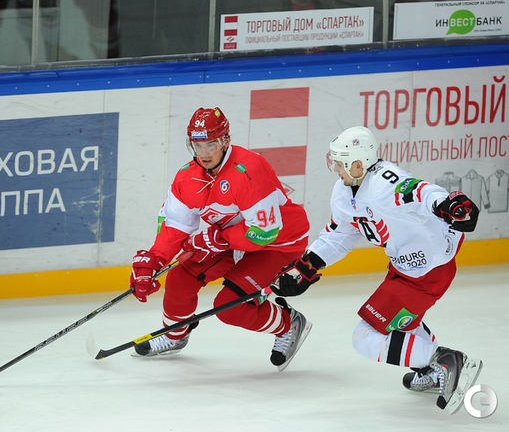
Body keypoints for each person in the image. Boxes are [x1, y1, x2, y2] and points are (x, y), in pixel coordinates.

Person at [271, 125, 483, 412]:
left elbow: (418, 191)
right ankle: (431, 371)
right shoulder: (344, 191)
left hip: (427, 270)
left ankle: (445, 361)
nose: (335, 169)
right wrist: (305, 267)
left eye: (340, 163)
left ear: (358, 165)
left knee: (365, 337)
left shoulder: (384, 182)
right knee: (404, 322)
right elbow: (339, 234)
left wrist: (446, 203)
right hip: (407, 266)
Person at [129, 107, 313, 371]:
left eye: (211, 144)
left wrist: (218, 238)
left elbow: (263, 232)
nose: (204, 153)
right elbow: (175, 226)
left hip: (278, 244)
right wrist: (154, 260)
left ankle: (289, 323)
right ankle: (175, 335)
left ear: (226, 140)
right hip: (231, 239)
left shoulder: (249, 169)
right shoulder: (187, 177)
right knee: (179, 279)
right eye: (197, 145)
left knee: (229, 307)